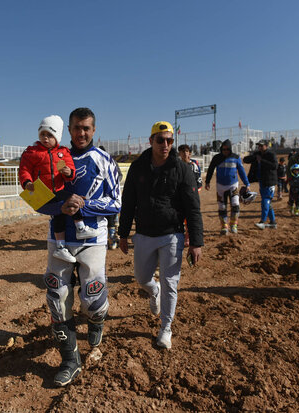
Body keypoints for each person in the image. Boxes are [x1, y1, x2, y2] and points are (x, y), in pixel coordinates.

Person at [35, 107, 121, 387]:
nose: (81, 133)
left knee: (93, 304)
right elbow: (34, 198)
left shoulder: (104, 160)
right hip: (59, 240)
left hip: (93, 239)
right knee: (57, 300)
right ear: (68, 130)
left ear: (93, 130)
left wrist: (86, 204)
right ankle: (70, 361)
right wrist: (61, 205)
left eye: (86, 128)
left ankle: (97, 320)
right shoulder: (50, 157)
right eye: (76, 128)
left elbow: (117, 202)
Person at [118, 121, 203, 349]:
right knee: (142, 278)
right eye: (160, 140)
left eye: (169, 140)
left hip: (172, 235)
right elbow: (128, 202)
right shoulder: (138, 168)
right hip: (144, 234)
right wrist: (123, 233)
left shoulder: (182, 169)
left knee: (170, 283)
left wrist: (196, 242)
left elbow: (193, 207)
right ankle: (152, 290)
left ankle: (166, 328)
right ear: (151, 141)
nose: (165, 144)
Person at [19, 115, 100, 263]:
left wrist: (69, 173)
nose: (45, 138)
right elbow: (24, 170)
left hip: (58, 189)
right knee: (59, 214)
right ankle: (62, 246)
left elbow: (70, 168)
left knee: (74, 200)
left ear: (57, 136)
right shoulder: (32, 153)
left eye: (50, 135)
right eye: (42, 134)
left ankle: (79, 229)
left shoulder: (62, 152)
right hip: (43, 192)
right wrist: (27, 183)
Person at [204, 139, 250, 235]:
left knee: (235, 204)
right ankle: (224, 226)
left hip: (233, 185)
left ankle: (234, 224)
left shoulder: (236, 158)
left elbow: (241, 171)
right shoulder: (216, 158)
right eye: (223, 149)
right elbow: (211, 169)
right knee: (222, 207)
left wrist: (247, 183)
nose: (225, 151)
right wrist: (207, 181)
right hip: (220, 186)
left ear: (230, 149)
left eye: (227, 149)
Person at [244, 140, 278, 229]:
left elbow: (275, 166)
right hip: (262, 181)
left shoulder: (271, 154)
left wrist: (261, 161)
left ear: (266, 146)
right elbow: (245, 160)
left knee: (265, 201)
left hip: (269, 181)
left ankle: (262, 221)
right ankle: (273, 222)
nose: (259, 147)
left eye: (261, 146)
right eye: (258, 146)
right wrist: (255, 158)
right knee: (267, 202)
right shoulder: (257, 154)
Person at [98, 146, 122, 250]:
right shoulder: (96, 162)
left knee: (112, 218)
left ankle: (113, 239)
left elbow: (119, 175)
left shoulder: (111, 162)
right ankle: (108, 239)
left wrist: (113, 184)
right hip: (100, 197)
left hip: (111, 196)